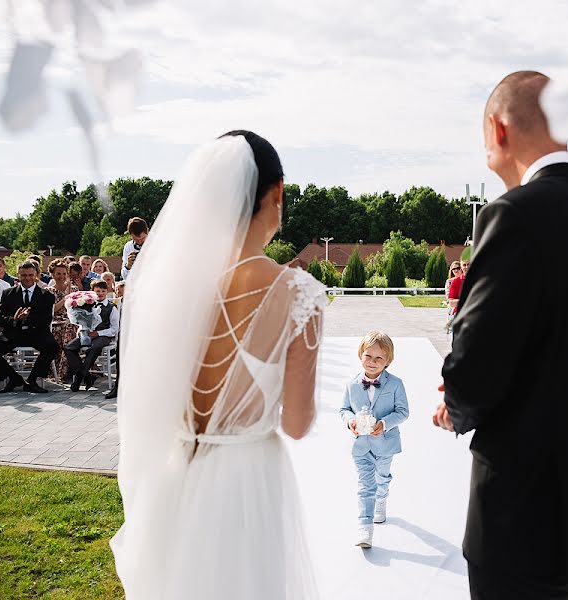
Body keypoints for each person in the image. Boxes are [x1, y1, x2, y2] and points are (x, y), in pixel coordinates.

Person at [432, 71, 568, 599]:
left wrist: (454, 406)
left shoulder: (513, 215)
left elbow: (477, 358)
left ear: (496, 129)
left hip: (522, 512)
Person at [110, 131, 326, 599]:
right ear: (277, 192)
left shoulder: (168, 287)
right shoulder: (296, 292)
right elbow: (296, 422)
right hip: (245, 479)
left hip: (176, 471)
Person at [339, 331, 409, 548]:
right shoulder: (352, 384)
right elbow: (344, 409)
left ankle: (382, 498)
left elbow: (403, 411)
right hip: (361, 445)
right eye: (368, 356)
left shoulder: (396, 384)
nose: (372, 362)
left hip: (385, 444)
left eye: (379, 358)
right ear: (361, 355)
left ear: (388, 360)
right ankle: (365, 527)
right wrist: (350, 421)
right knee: (365, 484)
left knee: (382, 478)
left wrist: (385, 423)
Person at [0, 261, 59, 394]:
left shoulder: (46, 295)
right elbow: (0, 318)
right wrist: (15, 319)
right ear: (18, 276)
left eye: (30, 275)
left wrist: (28, 319)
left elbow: (46, 319)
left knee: (52, 346)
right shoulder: (8, 293)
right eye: (24, 275)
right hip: (14, 332)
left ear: (36, 275)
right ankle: (13, 377)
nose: (27, 278)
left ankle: (32, 380)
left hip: (36, 332)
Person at [64, 280, 120, 391]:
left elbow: (114, 328)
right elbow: (82, 321)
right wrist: (81, 330)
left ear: (107, 292)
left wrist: (98, 333)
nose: (100, 293)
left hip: (103, 335)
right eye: (97, 291)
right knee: (69, 347)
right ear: (93, 291)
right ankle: (87, 376)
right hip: (87, 334)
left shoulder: (111, 307)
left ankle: (79, 378)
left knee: (95, 347)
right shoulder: (87, 304)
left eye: (103, 291)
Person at [47, 258, 80, 382]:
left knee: (72, 326)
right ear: (53, 275)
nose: (61, 276)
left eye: (64, 273)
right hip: (55, 323)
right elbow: (52, 310)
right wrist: (66, 297)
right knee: (68, 327)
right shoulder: (49, 291)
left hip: (72, 321)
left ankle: (72, 368)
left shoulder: (74, 289)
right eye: (58, 273)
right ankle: (66, 371)